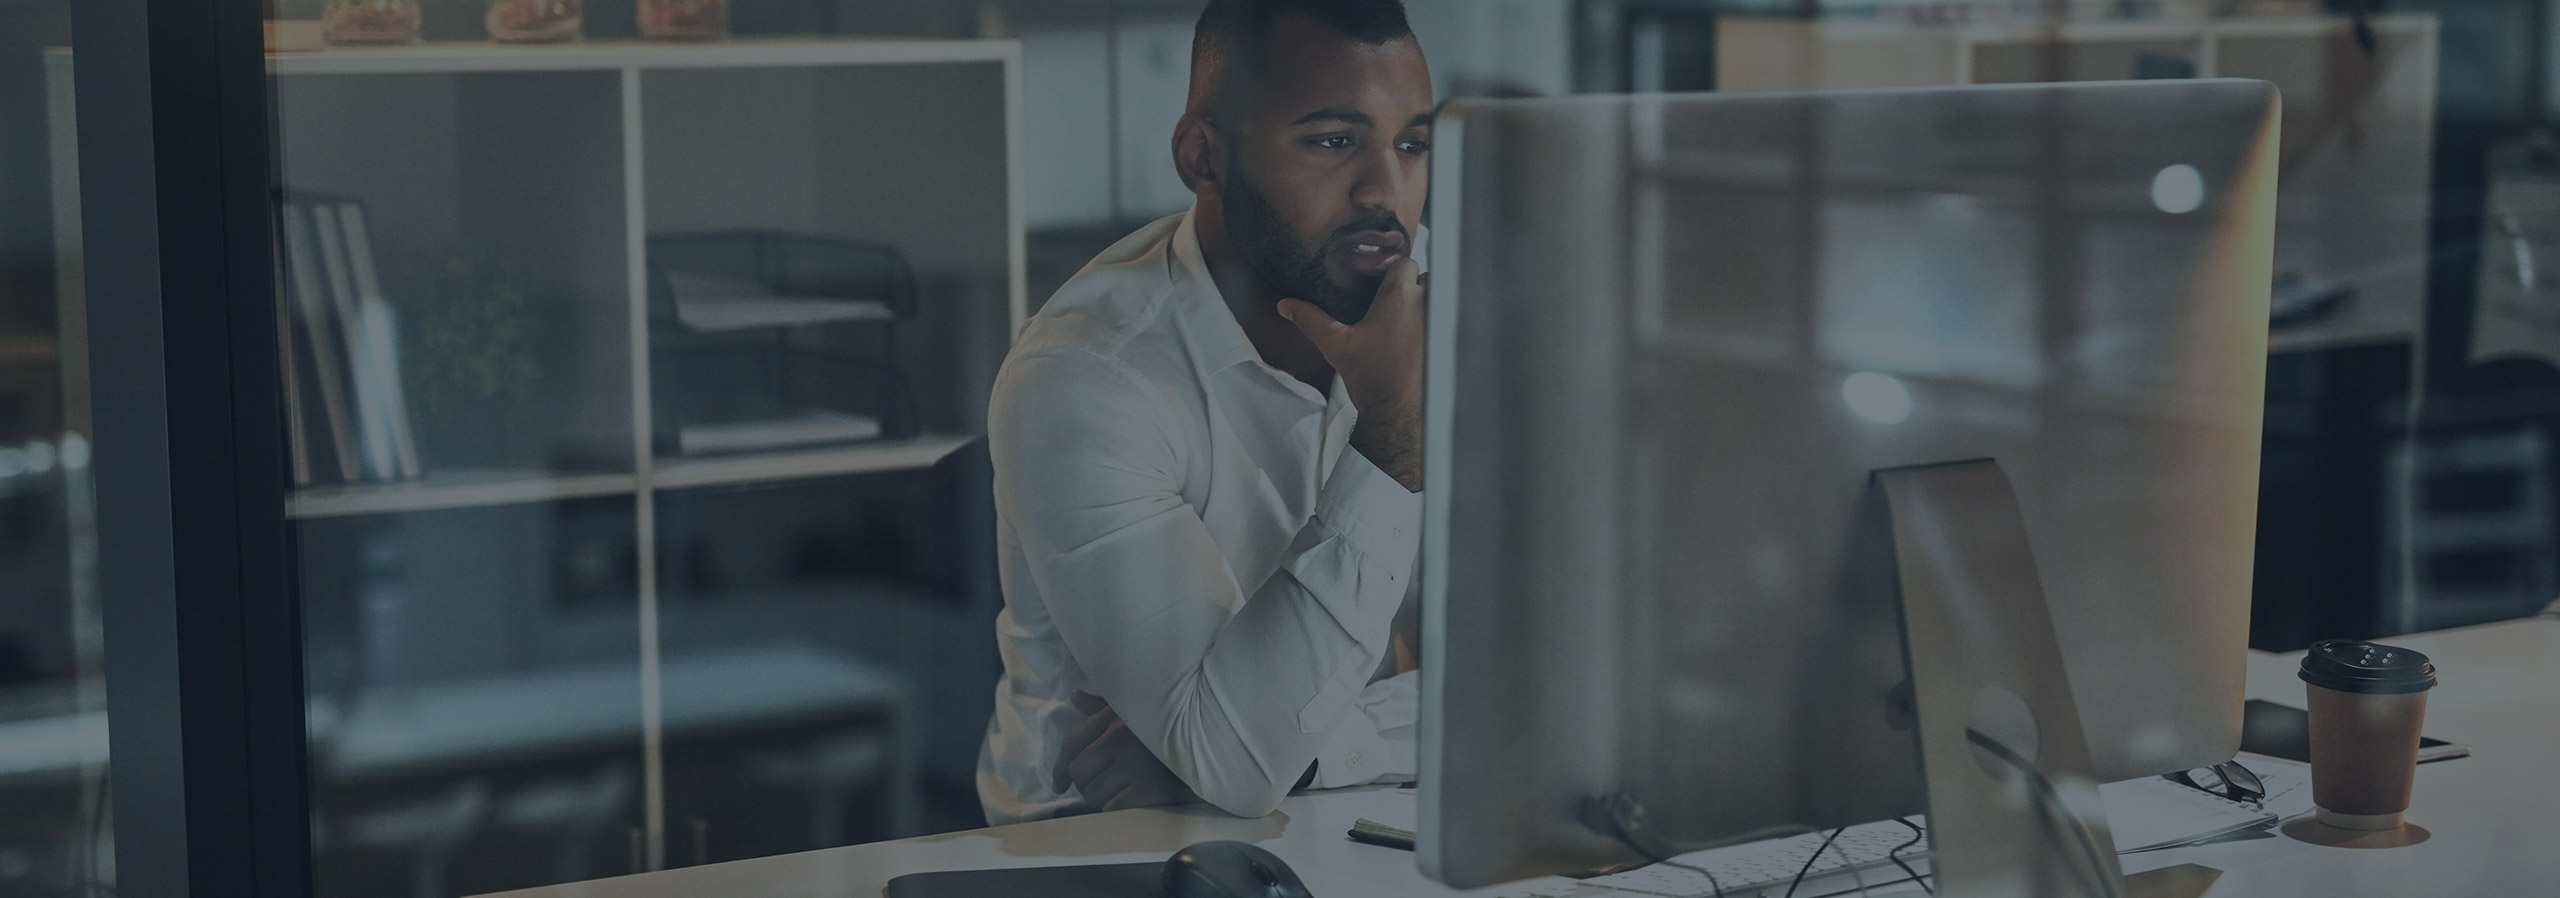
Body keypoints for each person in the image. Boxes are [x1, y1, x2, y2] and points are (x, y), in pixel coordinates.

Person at [976, 0, 1434, 824]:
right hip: (1091, 856)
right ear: (1204, 157)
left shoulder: (1441, 295)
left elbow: (1558, 684)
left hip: (1348, 820)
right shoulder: (1084, 378)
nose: (1387, 191)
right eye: (1334, 142)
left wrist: (1302, 753)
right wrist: (1393, 433)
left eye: (1412, 144)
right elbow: (1234, 762)